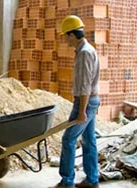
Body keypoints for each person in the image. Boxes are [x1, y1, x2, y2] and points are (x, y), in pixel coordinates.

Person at [55, 15, 100, 188]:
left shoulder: (84, 53)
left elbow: (85, 86)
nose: (65, 39)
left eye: (65, 35)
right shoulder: (87, 50)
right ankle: (92, 180)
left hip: (85, 102)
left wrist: (81, 111)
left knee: (68, 140)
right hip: (91, 101)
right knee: (89, 140)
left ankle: (67, 182)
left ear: (72, 35)